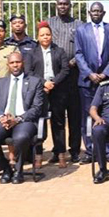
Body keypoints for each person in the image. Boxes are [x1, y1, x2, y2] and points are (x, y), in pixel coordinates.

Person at [0, 52, 44, 184]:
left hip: (24, 121)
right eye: (12, 63)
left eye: (18, 62)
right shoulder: (0, 83)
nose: (15, 65)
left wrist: (18, 119)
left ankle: (18, 170)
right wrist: (1, 118)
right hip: (3, 121)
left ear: (23, 63)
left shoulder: (35, 82)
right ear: (8, 65)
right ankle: (5, 169)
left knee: (20, 137)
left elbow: (37, 108)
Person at [75, 2, 109, 164]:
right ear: (89, 12)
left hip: (108, 80)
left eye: (98, 11)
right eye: (93, 11)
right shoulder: (81, 30)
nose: (96, 13)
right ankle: (90, 150)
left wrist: (105, 73)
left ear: (103, 13)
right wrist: (90, 73)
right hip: (87, 81)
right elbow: (78, 54)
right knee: (87, 116)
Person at [24, 21, 70, 168]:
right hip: (40, 91)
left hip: (57, 91)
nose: (45, 37)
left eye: (48, 34)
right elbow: (29, 71)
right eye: (42, 35)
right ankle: (38, 156)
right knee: (39, 124)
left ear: (51, 36)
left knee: (58, 123)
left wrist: (53, 83)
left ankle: (61, 154)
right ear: (37, 37)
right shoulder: (32, 53)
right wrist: (43, 83)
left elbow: (65, 70)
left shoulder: (59, 51)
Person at [47, 0, 84, 165]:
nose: (62, 6)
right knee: (57, 117)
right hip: (57, 77)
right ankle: (58, 149)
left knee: (75, 116)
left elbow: (83, 48)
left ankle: (75, 150)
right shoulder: (49, 23)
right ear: (56, 6)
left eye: (65, 4)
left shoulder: (78, 25)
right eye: (60, 4)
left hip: (74, 74)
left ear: (70, 6)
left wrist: (73, 62)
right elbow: (45, 44)